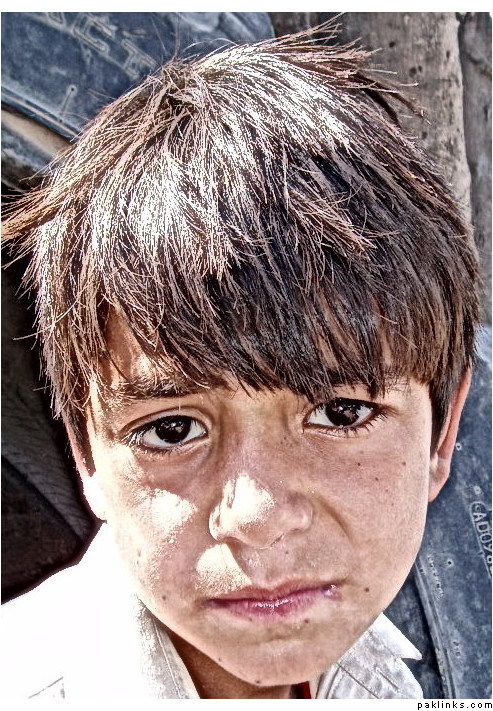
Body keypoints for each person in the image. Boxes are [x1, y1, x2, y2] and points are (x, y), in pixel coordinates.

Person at [1, 27, 480, 700]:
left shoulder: (387, 683)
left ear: (441, 434)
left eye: (341, 413)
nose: (257, 514)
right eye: (172, 429)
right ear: (86, 454)